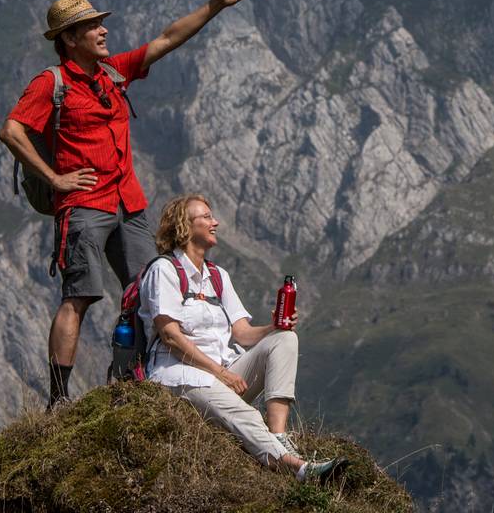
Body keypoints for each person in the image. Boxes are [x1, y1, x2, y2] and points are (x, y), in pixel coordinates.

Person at [0, 0, 258, 408]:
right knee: (79, 295)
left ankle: (134, 383)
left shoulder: (112, 73)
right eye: (92, 27)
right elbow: (11, 130)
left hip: (128, 203)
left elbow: (167, 39)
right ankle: (58, 399)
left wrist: (217, 4)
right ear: (69, 39)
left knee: (148, 294)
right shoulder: (52, 83)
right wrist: (56, 179)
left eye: (101, 24)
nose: (103, 31)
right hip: (83, 203)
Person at [140, 193, 346, 482]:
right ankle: (299, 470)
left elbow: (242, 334)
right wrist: (220, 373)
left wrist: (274, 327)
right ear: (184, 226)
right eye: (207, 217)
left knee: (285, 339)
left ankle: (279, 435)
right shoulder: (163, 270)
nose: (215, 222)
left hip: (223, 373)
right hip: (181, 375)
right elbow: (170, 336)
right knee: (247, 415)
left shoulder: (218, 275)